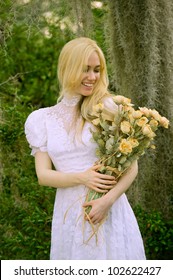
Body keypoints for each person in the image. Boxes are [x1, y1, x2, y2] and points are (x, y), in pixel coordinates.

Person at [25, 37, 146, 260]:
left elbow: (132, 168)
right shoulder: (41, 120)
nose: (92, 77)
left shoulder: (107, 108)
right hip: (68, 216)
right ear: (68, 68)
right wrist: (83, 178)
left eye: (97, 70)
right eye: (85, 69)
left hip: (110, 211)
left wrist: (106, 202)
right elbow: (43, 175)